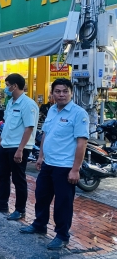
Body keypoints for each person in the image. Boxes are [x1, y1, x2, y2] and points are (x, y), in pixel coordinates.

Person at [20, 78, 88, 250]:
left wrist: (75, 169)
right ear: (52, 93)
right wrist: (41, 156)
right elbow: (45, 135)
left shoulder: (79, 113)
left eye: (65, 91)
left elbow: (82, 143)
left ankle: (62, 235)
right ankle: (40, 224)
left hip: (65, 167)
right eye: (57, 91)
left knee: (62, 203)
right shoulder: (51, 110)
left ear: (71, 93)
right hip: (48, 164)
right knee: (41, 197)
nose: (61, 94)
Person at [0, 73, 39, 221]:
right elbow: (8, 124)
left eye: (7, 84)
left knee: (18, 179)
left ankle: (20, 210)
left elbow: (29, 128)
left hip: (18, 146)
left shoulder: (28, 104)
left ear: (14, 86)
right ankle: (2, 204)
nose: (5, 88)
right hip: (6, 144)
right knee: (3, 176)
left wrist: (20, 149)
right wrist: (0, 140)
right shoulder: (10, 102)